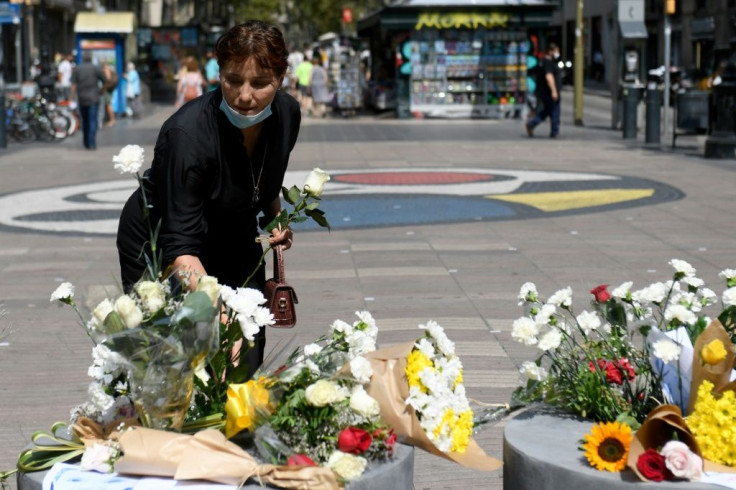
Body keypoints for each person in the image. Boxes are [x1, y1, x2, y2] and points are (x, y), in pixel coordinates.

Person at [116, 20, 299, 375]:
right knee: (179, 358)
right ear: (218, 73)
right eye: (232, 80)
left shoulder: (288, 113)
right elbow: (180, 247)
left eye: (260, 84)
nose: (245, 96)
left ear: (281, 77)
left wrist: (275, 218)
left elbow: (265, 173)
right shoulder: (188, 135)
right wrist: (219, 313)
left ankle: (236, 422)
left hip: (232, 229)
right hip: (163, 241)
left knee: (247, 342)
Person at [70, 51, 107, 150]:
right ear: (91, 58)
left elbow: (73, 85)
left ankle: (86, 142)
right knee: (92, 121)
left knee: (85, 121)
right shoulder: (95, 68)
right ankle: (92, 143)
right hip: (94, 98)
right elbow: (105, 80)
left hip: (82, 98)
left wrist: (71, 98)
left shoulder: (77, 68)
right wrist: (101, 91)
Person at [526, 42, 562, 139]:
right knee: (555, 111)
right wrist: (554, 91)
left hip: (543, 92)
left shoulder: (542, 62)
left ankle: (532, 124)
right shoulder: (549, 63)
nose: (557, 53)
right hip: (550, 93)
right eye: (556, 51)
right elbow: (549, 76)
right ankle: (555, 131)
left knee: (546, 111)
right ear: (551, 52)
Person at [101, 60, 118, 127]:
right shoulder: (109, 69)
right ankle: (110, 120)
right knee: (107, 105)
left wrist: (102, 89)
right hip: (109, 89)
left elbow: (107, 80)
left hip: (107, 90)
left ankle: (112, 120)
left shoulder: (106, 70)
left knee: (108, 105)